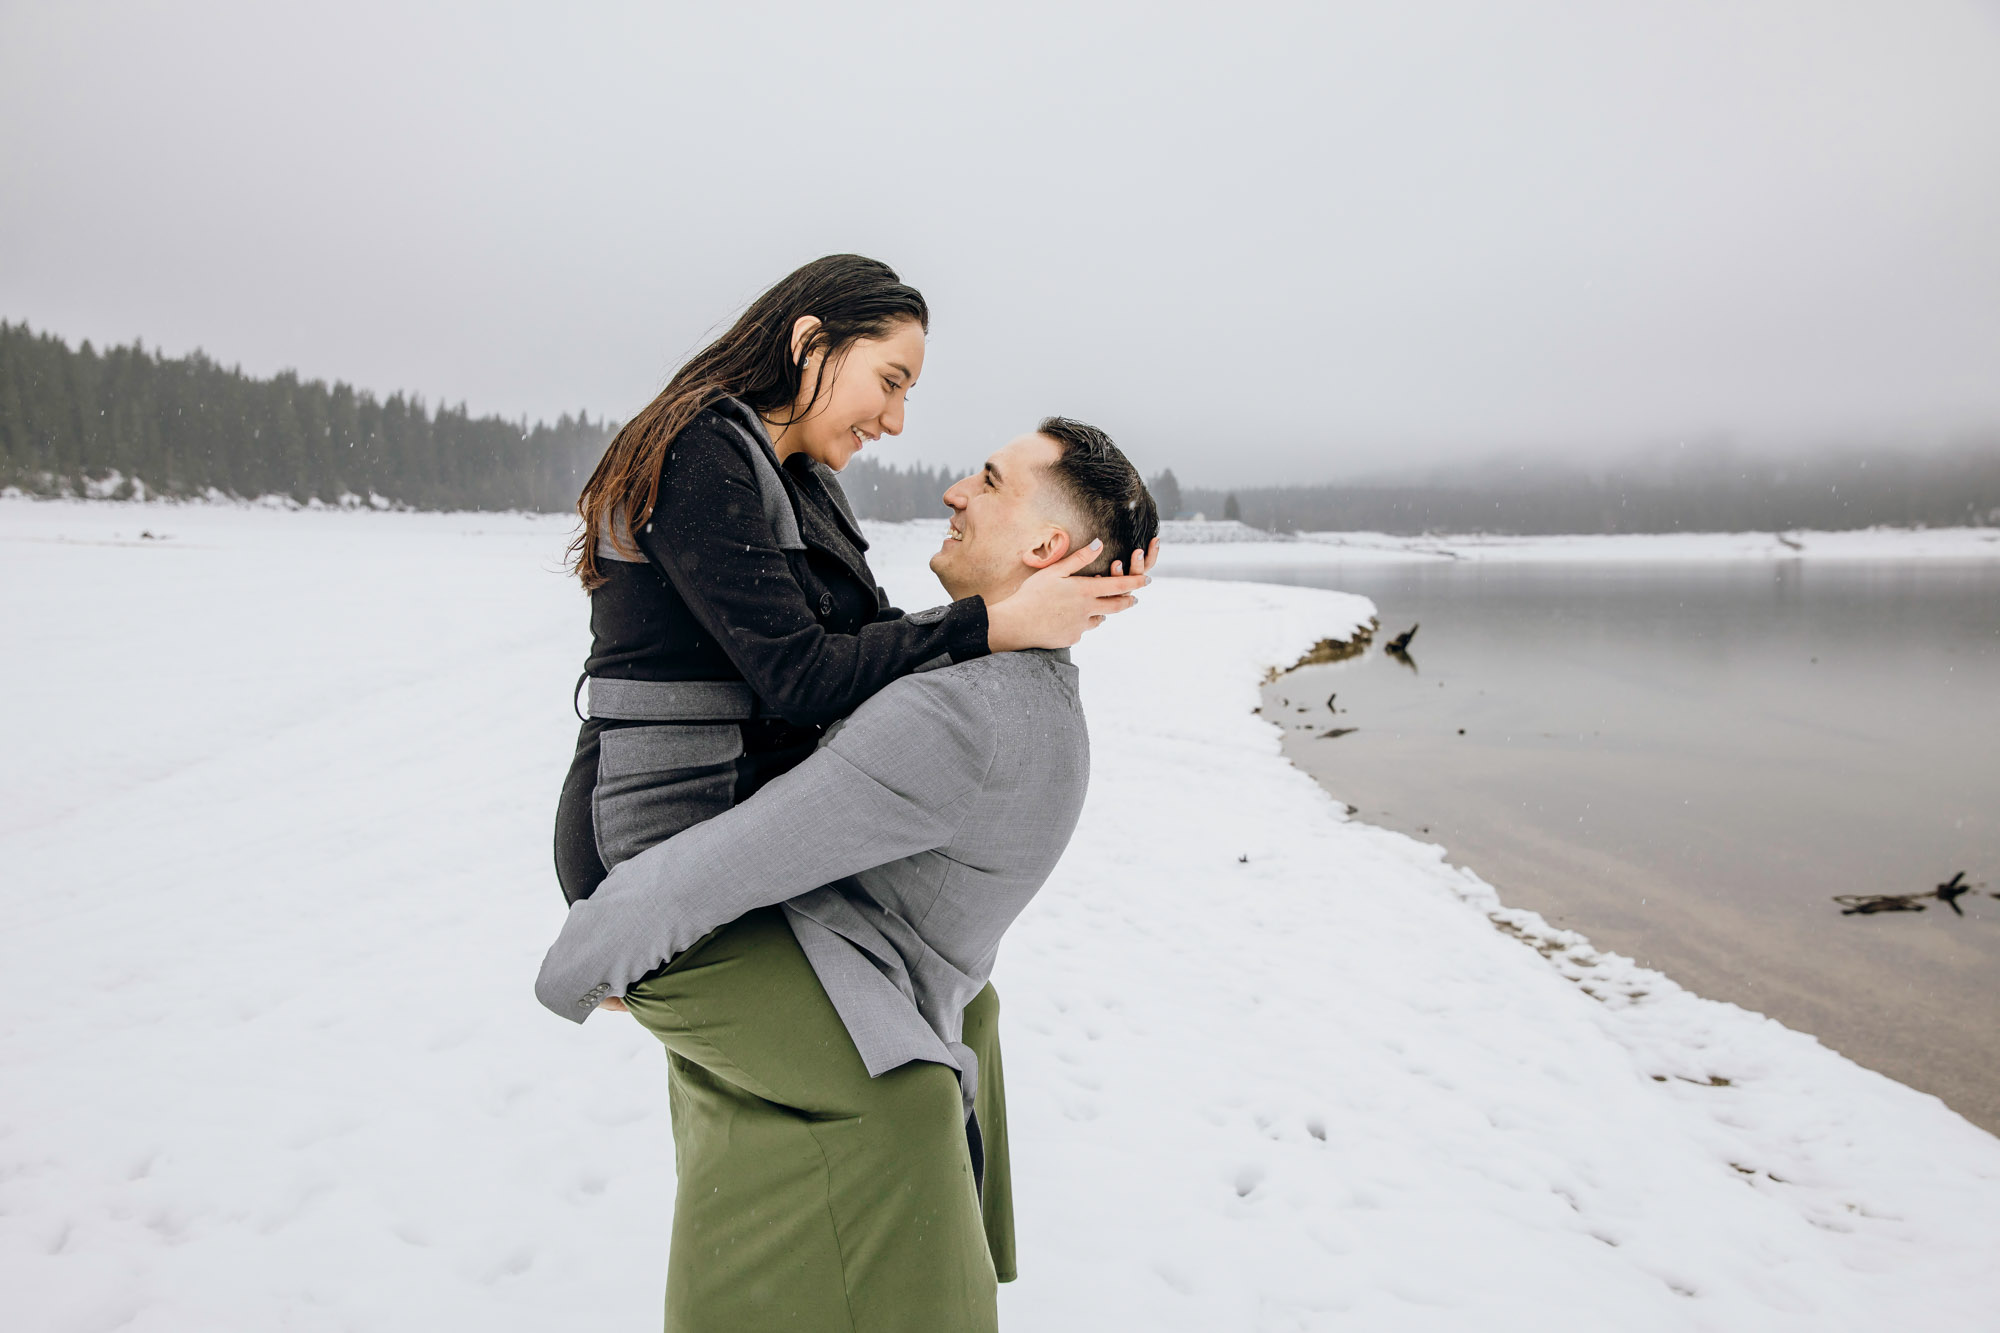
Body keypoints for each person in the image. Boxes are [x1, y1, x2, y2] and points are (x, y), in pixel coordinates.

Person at [538, 418, 1160, 1332]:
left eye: (989, 481)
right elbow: (880, 652)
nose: (955, 490)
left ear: (1046, 546)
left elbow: (724, 865)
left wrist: (582, 965)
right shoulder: (1019, 685)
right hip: (842, 982)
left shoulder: (957, 720)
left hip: (817, 977)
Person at [556, 254, 1149, 906]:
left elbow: (868, 639)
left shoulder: (807, 482)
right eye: (890, 381)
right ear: (811, 344)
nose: (895, 420)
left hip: (736, 834)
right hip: (651, 836)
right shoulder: (698, 451)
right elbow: (805, 677)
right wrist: (999, 620)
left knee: (959, 1001)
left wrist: (1077, 581)